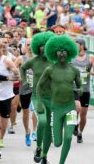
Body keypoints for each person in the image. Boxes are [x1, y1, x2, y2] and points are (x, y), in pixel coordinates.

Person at [38, 35, 82, 164]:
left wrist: (80, 90)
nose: (62, 53)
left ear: (69, 52)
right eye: (59, 51)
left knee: (68, 137)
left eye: (64, 51)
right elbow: (39, 86)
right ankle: (44, 152)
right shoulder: (49, 69)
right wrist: (40, 102)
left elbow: (80, 86)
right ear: (54, 53)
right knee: (57, 142)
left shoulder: (74, 70)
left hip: (70, 108)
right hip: (55, 109)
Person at [20, 31, 55, 162]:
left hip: (52, 97)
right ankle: (39, 147)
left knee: (49, 127)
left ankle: (45, 156)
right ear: (37, 47)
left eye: (47, 45)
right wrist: (24, 82)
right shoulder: (33, 61)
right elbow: (22, 68)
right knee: (43, 121)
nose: (44, 48)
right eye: (41, 45)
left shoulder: (54, 61)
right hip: (37, 96)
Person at [71, 39, 94, 143]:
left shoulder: (90, 58)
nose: (74, 46)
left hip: (85, 89)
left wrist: (89, 73)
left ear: (82, 46)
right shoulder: (71, 57)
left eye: (76, 44)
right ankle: (74, 125)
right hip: (74, 87)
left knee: (83, 114)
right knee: (77, 107)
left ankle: (80, 132)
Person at [15, 37, 34, 147]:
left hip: (36, 89)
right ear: (24, 46)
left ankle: (35, 131)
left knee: (36, 111)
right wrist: (19, 76)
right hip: (24, 89)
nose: (30, 47)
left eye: (32, 45)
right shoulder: (20, 59)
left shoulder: (39, 58)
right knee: (26, 112)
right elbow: (12, 70)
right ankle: (27, 131)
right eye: (28, 45)